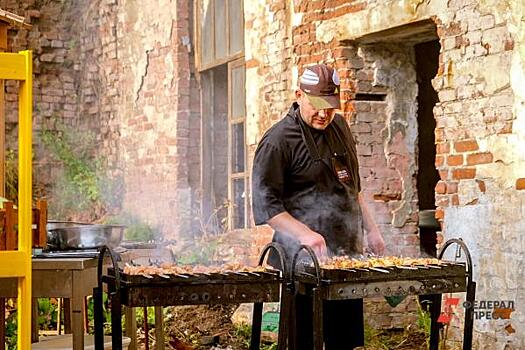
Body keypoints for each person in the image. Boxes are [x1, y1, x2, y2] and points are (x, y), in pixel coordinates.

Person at [251, 63, 385, 349]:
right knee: (305, 342)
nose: (324, 114)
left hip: (346, 259)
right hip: (300, 261)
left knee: (345, 343)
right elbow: (267, 207)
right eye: (317, 105)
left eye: (331, 106)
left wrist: (372, 230)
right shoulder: (277, 141)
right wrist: (304, 234)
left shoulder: (340, 127)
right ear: (299, 95)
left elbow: (353, 188)